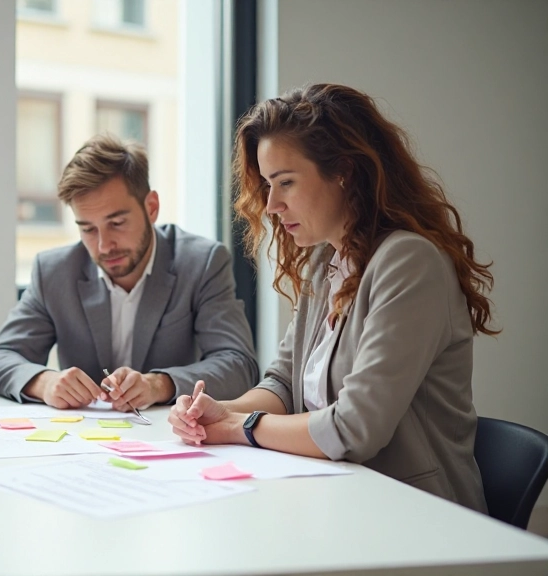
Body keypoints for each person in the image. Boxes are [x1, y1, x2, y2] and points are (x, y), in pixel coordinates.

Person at [169, 83, 492, 512]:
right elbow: (283, 385)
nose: (270, 205)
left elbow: (354, 428)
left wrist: (238, 426)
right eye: (267, 185)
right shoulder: (328, 261)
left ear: (343, 171)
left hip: (416, 514)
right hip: (339, 498)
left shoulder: (408, 261)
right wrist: (215, 412)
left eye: (285, 182)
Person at [0, 134, 258, 410]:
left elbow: (239, 366)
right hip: (83, 441)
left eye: (116, 223)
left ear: (151, 208)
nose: (104, 245)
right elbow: (0, 358)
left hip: (172, 437)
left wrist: (158, 384)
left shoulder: (202, 263)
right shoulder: (54, 272)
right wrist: (45, 383)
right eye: (88, 229)